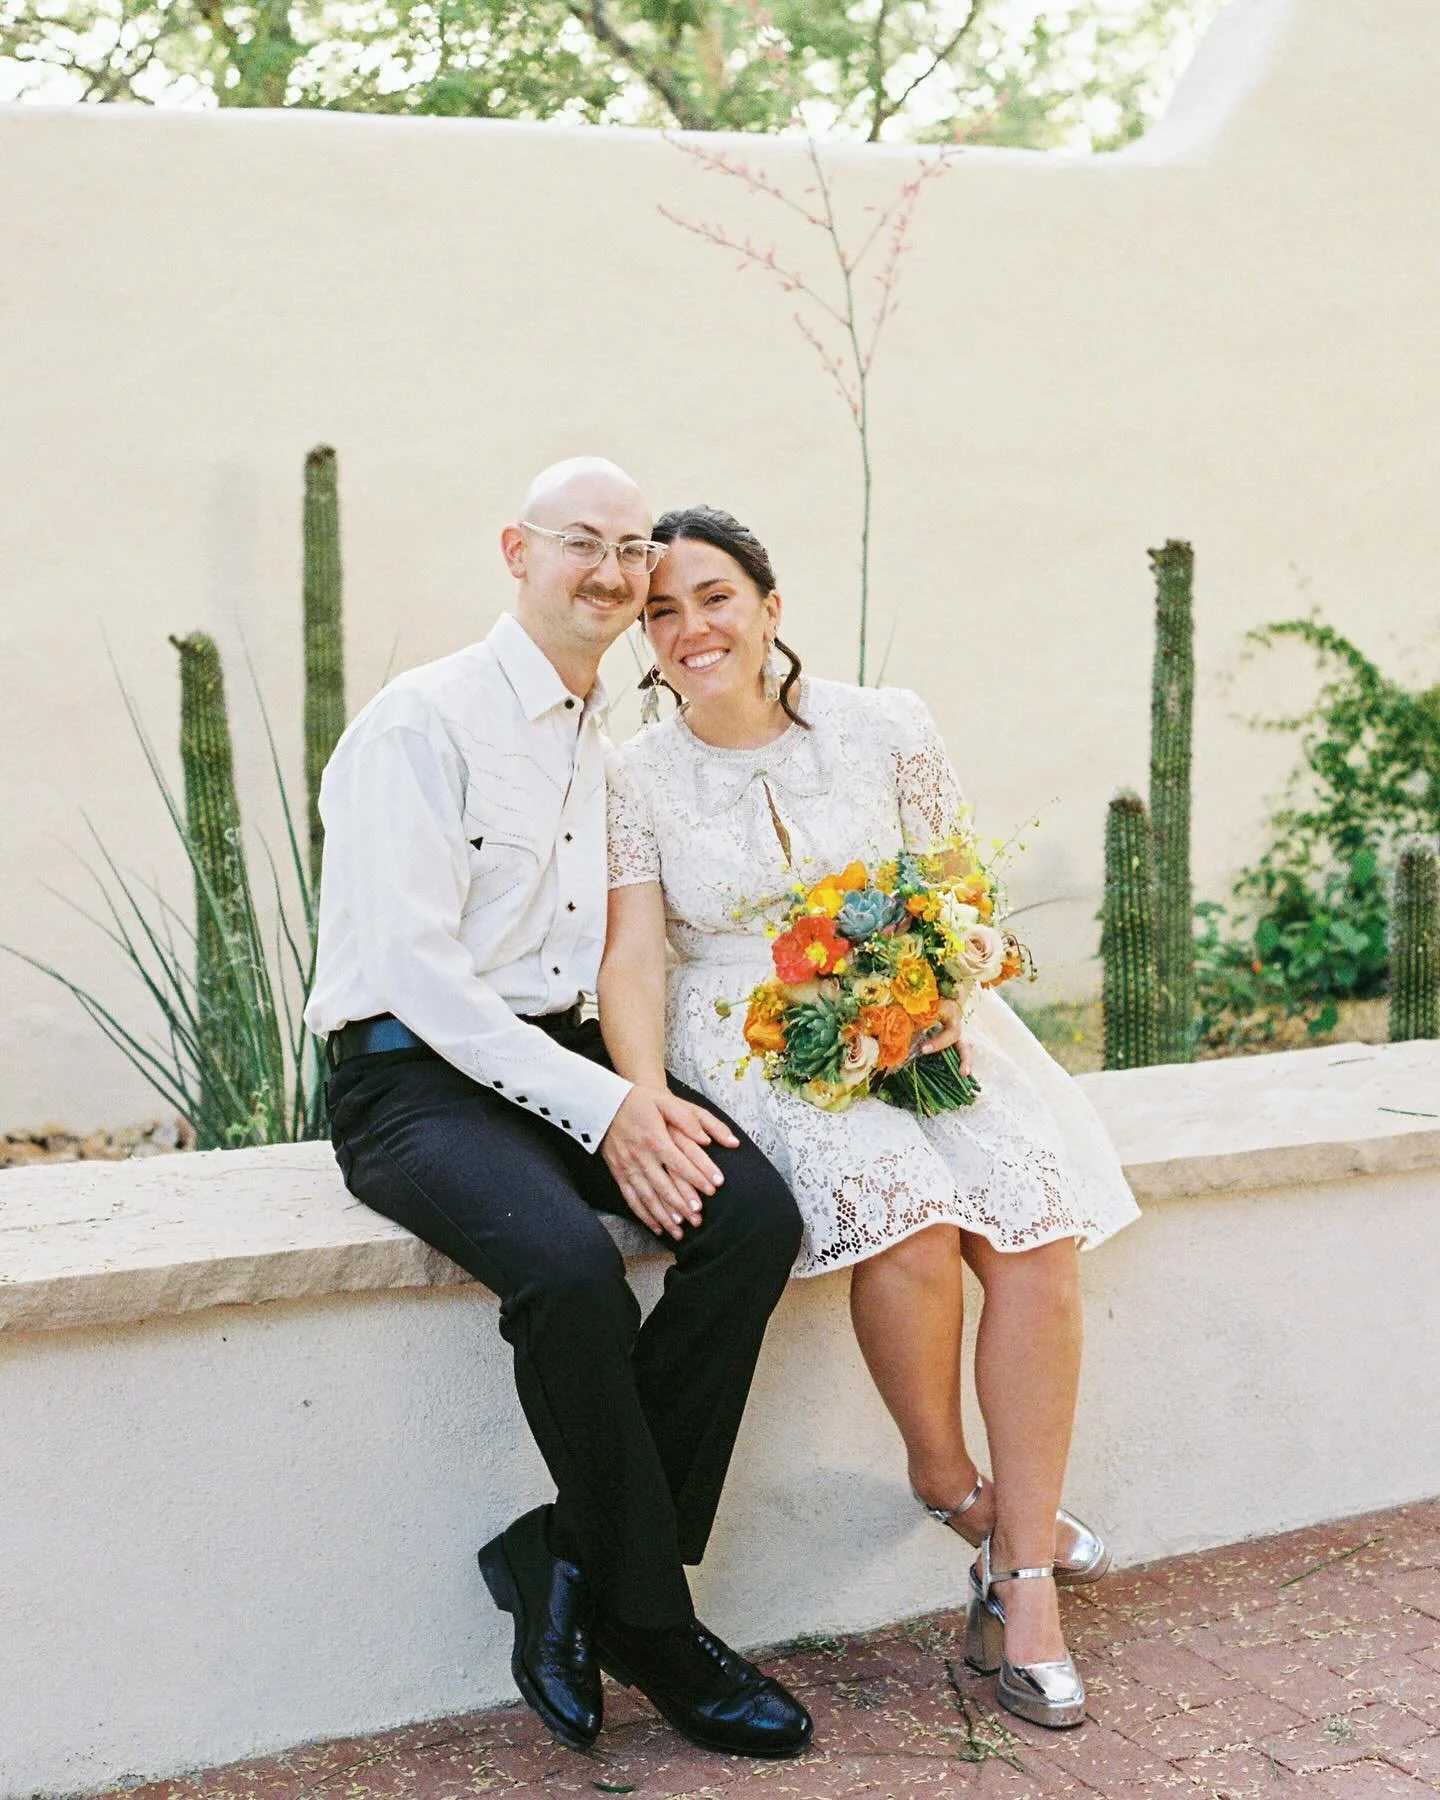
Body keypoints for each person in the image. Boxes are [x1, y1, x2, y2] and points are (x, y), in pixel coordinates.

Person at [600, 506, 1141, 1732]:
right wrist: (639, 1094)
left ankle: (1024, 1581)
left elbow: (957, 883)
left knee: (1032, 1222)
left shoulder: (888, 724)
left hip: (915, 1001)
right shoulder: (631, 776)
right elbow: (633, 953)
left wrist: (953, 972)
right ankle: (952, 1485)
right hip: (749, 1034)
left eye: (715, 597)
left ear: (770, 607)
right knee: (908, 1217)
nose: (691, 628)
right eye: (664, 611)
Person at [304, 462, 813, 1760]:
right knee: (573, 1270)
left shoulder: (595, 740)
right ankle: (653, 1620)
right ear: (516, 551)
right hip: (410, 1077)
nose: (612, 570)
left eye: (632, 549)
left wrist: (630, 1092)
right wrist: (608, 1112)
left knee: (749, 1213)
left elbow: (607, 960)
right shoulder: (421, 724)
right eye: (582, 544)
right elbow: (419, 980)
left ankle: (564, 1553)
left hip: (549, 1059)